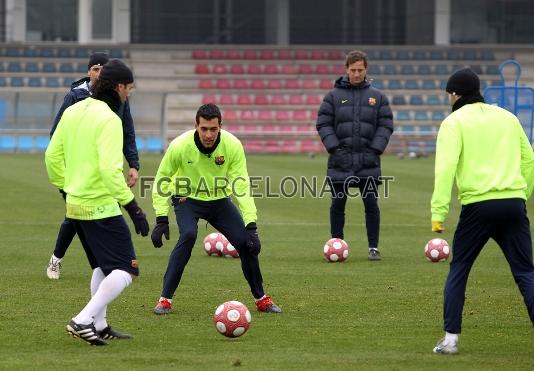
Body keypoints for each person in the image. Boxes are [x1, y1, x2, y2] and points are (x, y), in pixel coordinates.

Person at [45, 60, 149, 345]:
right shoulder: (109, 119)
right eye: (128, 89)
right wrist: (133, 207)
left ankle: (100, 325)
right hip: (100, 206)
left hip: (75, 204)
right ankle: (82, 320)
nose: (128, 94)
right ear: (118, 87)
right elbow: (108, 170)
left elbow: (52, 157)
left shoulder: (73, 110)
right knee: (127, 269)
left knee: (103, 267)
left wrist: (67, 188)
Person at [430, 67, 534, 354]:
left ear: (454, 94)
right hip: (513, 204)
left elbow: (445, 169)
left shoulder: (454, 122)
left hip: (478, 207)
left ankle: (451, 340)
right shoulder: (508, 118)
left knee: (460, 269)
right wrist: (521, 195)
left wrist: (438, 213)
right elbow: (529, 160)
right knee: (526, 272)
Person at [150, 103, 281, 315]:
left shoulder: (232, 145)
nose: (209, 134)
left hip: (219, 199)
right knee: (189, 235)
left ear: (221, 126)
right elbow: (162, 180)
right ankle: (165, 299)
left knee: (246, 244)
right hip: (186, 198)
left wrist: (251, 225)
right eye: (204, 129)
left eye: (213, 129)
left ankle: (262, 299)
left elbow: (241, 183)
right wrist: (161, 218)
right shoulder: (180, 146)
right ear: (196, 126)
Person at [46, 52, 140, 280]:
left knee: (83, 221)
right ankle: (57, 259)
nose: (99, 73)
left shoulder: (119, 101)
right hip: (84, 175)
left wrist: (133, 163)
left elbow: (128, 131)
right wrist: (66, 181)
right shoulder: (75, 98)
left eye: (102, 69)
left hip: (106, 175)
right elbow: (55, 136)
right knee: (76, 219)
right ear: (89, 71)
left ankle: (100, 301)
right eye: (95, 68)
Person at [316, 50, 393, 261]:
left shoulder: (378, 98)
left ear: (366, 70)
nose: (356, 74)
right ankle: (337, 243)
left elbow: (386, 126)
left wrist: (374, 151)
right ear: (346, 70)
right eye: (353, 70)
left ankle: (373, 247)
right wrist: (336, 150)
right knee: (338, 204)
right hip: (340, 162)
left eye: (360, 70)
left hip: (368, 162)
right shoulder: (332, 97)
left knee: (371, 205)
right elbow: (323, 124)